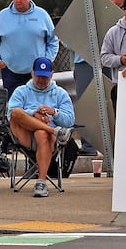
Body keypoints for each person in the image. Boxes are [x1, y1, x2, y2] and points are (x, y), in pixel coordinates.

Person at [7, 56, 75, 198]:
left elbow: (70, 120)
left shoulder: (60, 93)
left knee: (41, 133)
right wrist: (34, 114)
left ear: (51, 75)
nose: (41, 80)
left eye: (45, 77)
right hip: (25, 136)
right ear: (32, 73)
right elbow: (11, 114)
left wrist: (54, 113)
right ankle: (54, 130)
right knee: (16, 112)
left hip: (48, 140)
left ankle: (41, 182)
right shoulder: (21, 91)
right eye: (38, 76)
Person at [0, 0, 59, 95]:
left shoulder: (42, 15)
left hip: (37, 71)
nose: (18, 1)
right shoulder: (2, 17)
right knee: (14, 107)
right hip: (10, 72)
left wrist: (46, 60)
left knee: (37, 105)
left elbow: (53, 41)